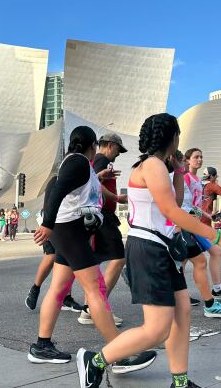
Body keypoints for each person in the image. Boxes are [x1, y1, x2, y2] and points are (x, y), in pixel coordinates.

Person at [76, 113, 221, 388]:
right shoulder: (152, 165)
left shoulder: (156, 166)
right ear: (173, 137)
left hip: (159, 248)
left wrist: (178, 170)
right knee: (156, 329)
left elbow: (174, 202)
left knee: (181, 313)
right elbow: (172, 212)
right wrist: (215, 235)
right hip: (147, 249)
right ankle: (94, 362)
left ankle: (180, 382)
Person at [30, 126, 157, 375]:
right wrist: (47, 224)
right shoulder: (77, 162)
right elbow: (56, 190)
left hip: (67, 231)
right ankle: (120, 353)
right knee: (96, 289)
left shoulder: (79, 164)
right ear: (91, 144)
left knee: (59, 288)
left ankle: (41, 345)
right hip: (70, 232)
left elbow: (69, 189)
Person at [79, 132, 128, 327]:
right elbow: (94, 185)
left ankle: (87, 310)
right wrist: (117, 198)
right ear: (108, 145)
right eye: (117, 149)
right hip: (102, 216)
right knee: (119, 258)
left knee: (94, 265)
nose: (118, 154)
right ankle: (95, 306)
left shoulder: (98, 162)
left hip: (98, 216)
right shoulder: (100, 160)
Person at [182, 149, 221, 316]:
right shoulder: (185, 178)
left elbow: (195, 206)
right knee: (187, 262)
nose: (199, 160)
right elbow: (186, 205)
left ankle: (216, 290)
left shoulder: (197, 180)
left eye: (201, 157)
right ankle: (183, 295)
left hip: (196, 223)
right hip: (189, 224)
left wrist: (208, 215)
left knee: (213, 253)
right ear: (187, 161)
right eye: (195, 157)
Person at [25, 176, 85, 314]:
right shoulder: (58, 179)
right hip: (49, 223)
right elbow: (50, 204)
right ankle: (35, 288)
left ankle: (66, 298)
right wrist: (47, 224)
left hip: (67, 225)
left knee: (67, 259)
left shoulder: (80, 179)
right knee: (51, 256)